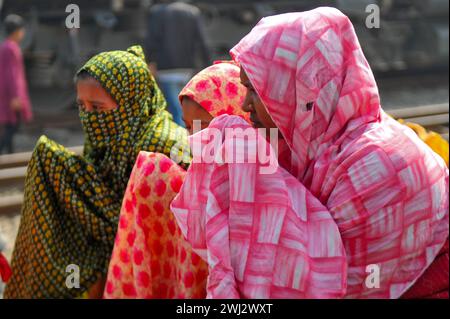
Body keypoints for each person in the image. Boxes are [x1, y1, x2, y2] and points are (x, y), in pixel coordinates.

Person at [170, 7, 449, 298]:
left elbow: (336, 289)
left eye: (256, 90)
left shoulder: (379, 166)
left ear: (306, 88)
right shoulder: (309, 150)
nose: (244, 105)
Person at [4, 45, 190, 298]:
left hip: (157, 267)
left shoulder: (164, 145)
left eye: (98, 108)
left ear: (131, 101)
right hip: (119, 250)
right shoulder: (111, 133)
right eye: (82, 106)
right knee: (47, 158)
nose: (88, 116)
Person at [103, 61, 249, 298]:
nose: (193, 138)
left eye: (204, 129)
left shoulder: (266, 185)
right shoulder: (188, 181)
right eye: (188, 127)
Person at [144, 0, 211, 126]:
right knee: (191, 107)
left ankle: (181, 140)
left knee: (176, 109)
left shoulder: (157, 13)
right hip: (187, 69)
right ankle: (193, 139)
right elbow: (202, 42)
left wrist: (149, 61)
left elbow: (151, 40)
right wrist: (208, 66)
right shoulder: (192, 12)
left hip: (166, 69)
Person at [0, 14, 32, 154]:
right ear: (16, 31)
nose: (23, 33)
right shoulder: (12, 48)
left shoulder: (5, 46)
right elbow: (12, 74)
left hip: (7, 93)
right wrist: (15, 97)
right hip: (11, 95)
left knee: (9, 125)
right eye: (21, 30)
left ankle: (9, 156)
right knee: (12, 126)